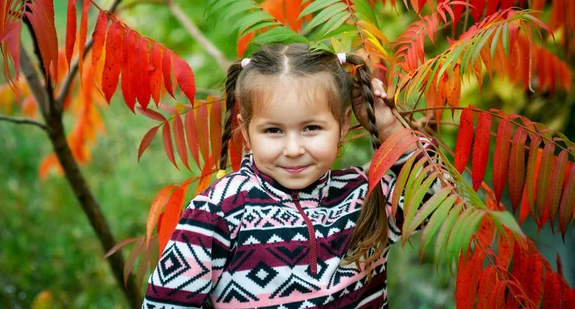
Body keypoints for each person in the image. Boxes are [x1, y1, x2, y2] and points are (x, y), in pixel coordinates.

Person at [142, 43, 439, 308]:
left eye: (311, 128)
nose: (293, 149)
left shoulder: (364, 193)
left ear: (343, 125)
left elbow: (433, 203)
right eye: (273, 130)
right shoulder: (218, 212)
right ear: (246, 131)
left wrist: (387, 126)